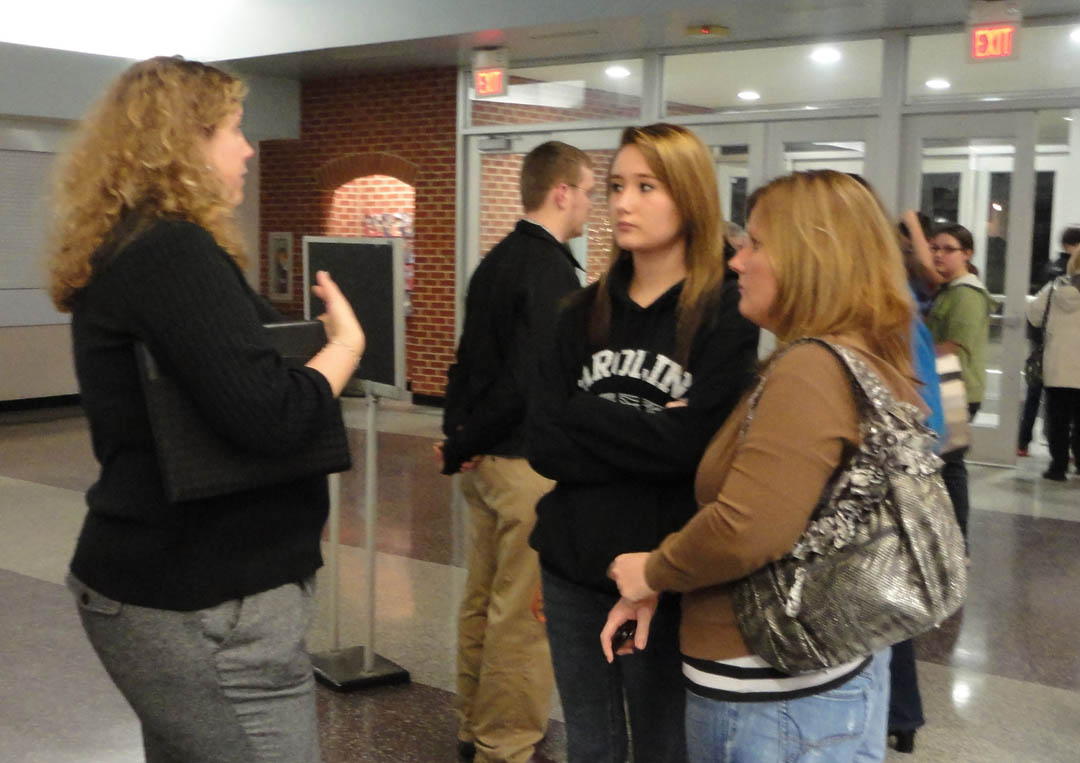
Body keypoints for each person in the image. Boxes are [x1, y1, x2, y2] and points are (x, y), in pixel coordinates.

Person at [47, 57, 364, 763]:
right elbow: (270, 415)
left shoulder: (133, 247)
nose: (247, 148)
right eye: (233, 130)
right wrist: (344, 347)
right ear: (182, 141)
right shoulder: (172, 252)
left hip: (172, 585)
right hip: (204, 601)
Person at [603, 169, 924, 763]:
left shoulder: (810, 369)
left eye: (754, 244)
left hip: (773, 697)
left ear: (810, 256)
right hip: (817, 679)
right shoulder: (859, 353)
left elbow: (748, 526)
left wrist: (654, 571)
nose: (736, 262)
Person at [527, 123, 759, 763]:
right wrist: (654, 431)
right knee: (590, 743)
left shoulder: (728, 314)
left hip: (667, 573)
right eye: (616, 187)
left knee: (664, 746)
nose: (623, 203)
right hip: (573, 566)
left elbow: (697, 453)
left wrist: (586, 409)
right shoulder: (579, 312)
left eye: (646, 186)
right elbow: (544, 444)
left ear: (688, 198)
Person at [437, 141, 594, 763]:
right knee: (523, 619)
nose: (588, 204)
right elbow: (527, 381)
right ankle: (507, 745)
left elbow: (468, 364)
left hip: (486, 466)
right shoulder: (553, 272)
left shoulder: (496, 261)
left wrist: (460, 441)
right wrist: (468, 440)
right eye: (585, 190)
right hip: (526, 466)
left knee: (481, 601)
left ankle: (472, 724)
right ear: (561, 193)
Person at [925, 223, 992, 544]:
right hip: (946, 385)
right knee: (946, 465)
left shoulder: (967, 294)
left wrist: (911, 354)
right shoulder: (948, 289)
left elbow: (953, 344)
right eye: (934, 248)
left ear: (967, 254)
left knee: (951, 467)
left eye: (947, 249)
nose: (938, 255)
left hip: (956, 387)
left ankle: (958, 543)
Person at [1019, 226, 1080, 456]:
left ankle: (1057, 465)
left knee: (1058, 417)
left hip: (1057, 362)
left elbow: (1034, 314)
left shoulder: (1054, 288)